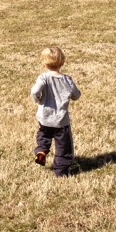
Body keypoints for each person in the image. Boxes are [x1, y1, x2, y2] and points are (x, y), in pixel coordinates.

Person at [31, 47, 81, 177]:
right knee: (64, 147)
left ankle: (41, 152)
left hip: (45, 118)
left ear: (44, 63)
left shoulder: (43, 78)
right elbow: (76, 95)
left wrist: (38, 99)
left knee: (44, 136)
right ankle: (60, 171)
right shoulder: (67, 80)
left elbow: (35, 91)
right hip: (61, 121)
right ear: (62, 62)